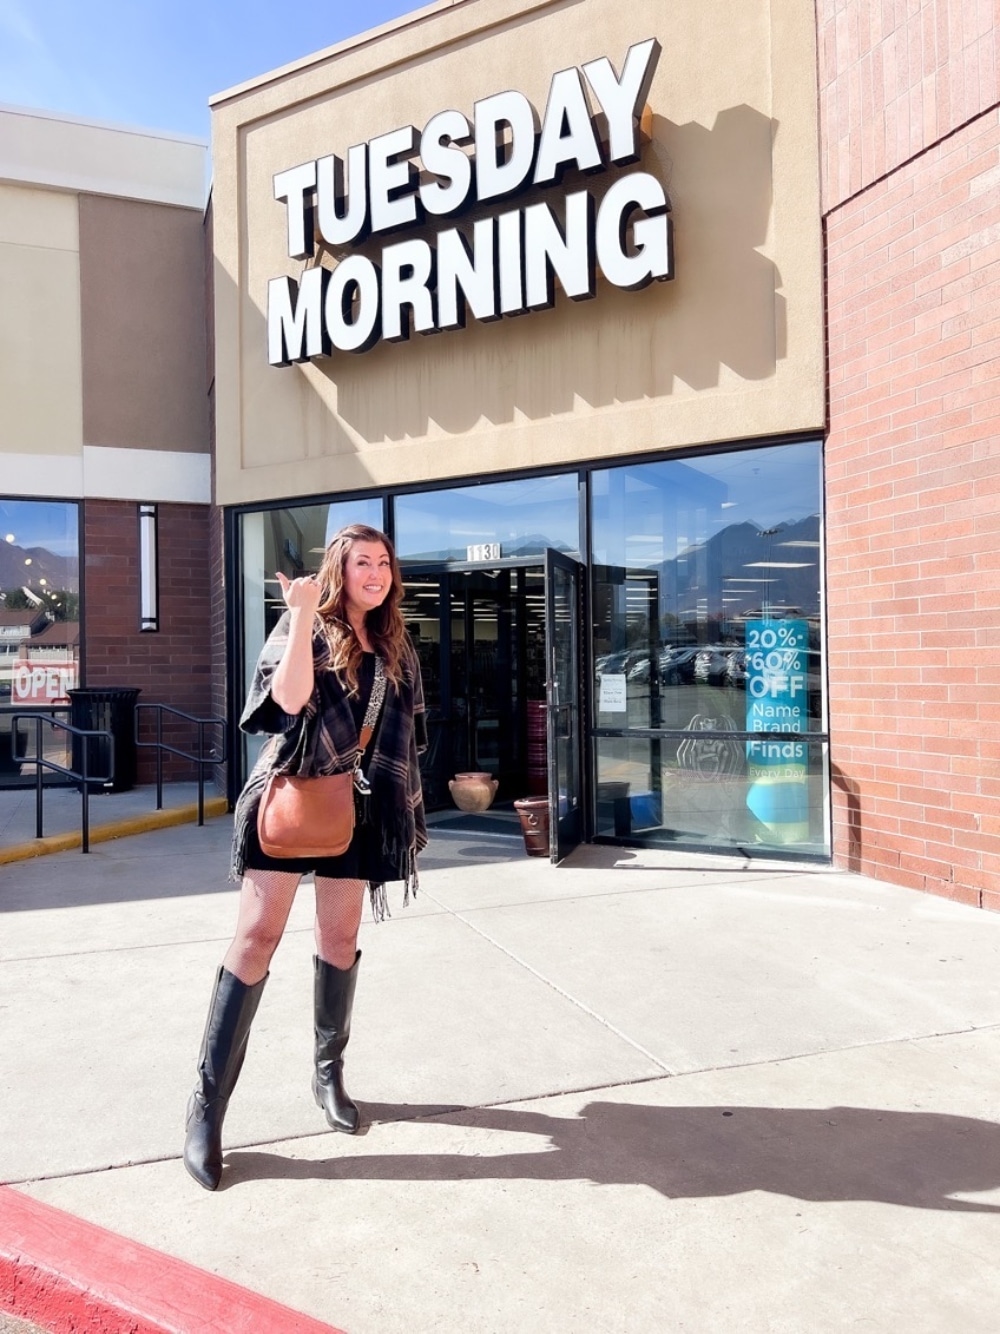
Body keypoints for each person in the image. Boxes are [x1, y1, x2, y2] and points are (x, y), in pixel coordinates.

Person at [183, 523, 427, 1191]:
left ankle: (328, 1075)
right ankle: (207, 1108)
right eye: (362, 563)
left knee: (339, 939)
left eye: (383, 563)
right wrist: (297, 618)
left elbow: (410, 733)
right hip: (290, 799)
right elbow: (287, 702)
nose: (375, 573)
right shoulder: (306, 626)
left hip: (359, 808)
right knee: (257, 938)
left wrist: (400, 803)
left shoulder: (398, 644)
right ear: (339, 571)